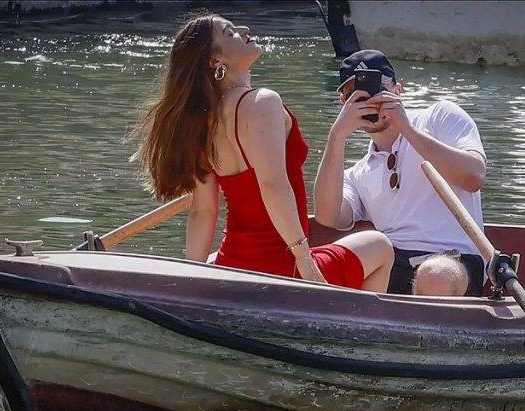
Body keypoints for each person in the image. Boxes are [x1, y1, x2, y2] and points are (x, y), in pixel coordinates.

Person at [131, 15, 393, 291]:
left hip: (232, 264)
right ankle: (351, 330)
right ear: (215, 61)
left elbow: (203, 210)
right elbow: (272, 186)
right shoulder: (262, 102)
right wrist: (305, 264)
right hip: (283, 270)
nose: (245, 30)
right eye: (230, 32)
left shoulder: (202, 120)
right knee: (380, 246)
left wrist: (192, 281)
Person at [314, 50, 487, 296]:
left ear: (397, 91)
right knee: (352, 252)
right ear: (344, 103)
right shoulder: (356, 174)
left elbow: (474, 177)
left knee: (434, 275)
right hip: (391, 263)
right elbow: (328, 217)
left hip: (454, 262)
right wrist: (337, 135)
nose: (369, 101)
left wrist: (406, 129)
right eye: (356, 95)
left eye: (377, 91)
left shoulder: (440, 116)